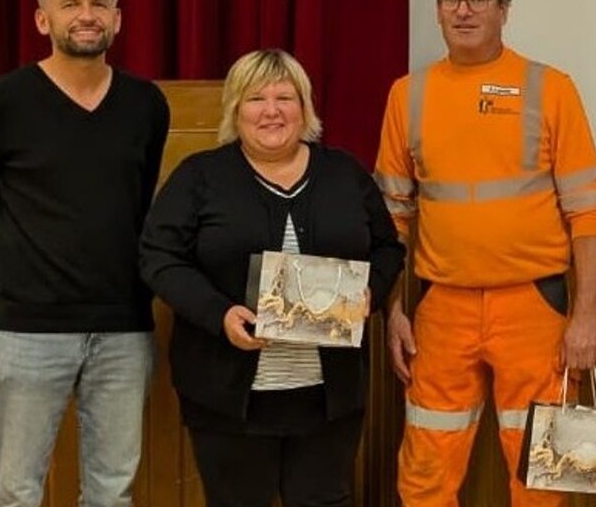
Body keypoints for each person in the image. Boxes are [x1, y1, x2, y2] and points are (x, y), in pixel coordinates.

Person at [377, 0, 596, 506]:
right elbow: (391, 220)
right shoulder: (407, 96)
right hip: (440, 308)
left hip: (535, 305)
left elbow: (589, 212)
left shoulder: (550, 88)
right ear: (436, 9)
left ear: (504, 8)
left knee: (541, 475)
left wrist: (585, 317)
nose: (463, 10)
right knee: (425, 471)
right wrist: (392, 310)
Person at [0, 0, 169, 507]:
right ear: (43, 21)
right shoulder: (1, 101)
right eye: (70, 4)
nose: (86, 15)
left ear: (118, 19)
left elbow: (142, 211)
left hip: (123, 333)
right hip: (25, 330)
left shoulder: (145, 104)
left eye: (99, 4)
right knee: (17, 491)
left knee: (112, 492)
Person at [138, 49, 404, 506]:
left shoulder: (345, 174)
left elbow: (387, 248)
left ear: (305, 107)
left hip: (329, 397)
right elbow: (158, 257)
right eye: (256, 98)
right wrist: (218, 313)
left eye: (286, 97)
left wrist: (370, 295)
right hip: (227, 397)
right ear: (235, 109)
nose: (272, 110)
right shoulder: (200, 177)